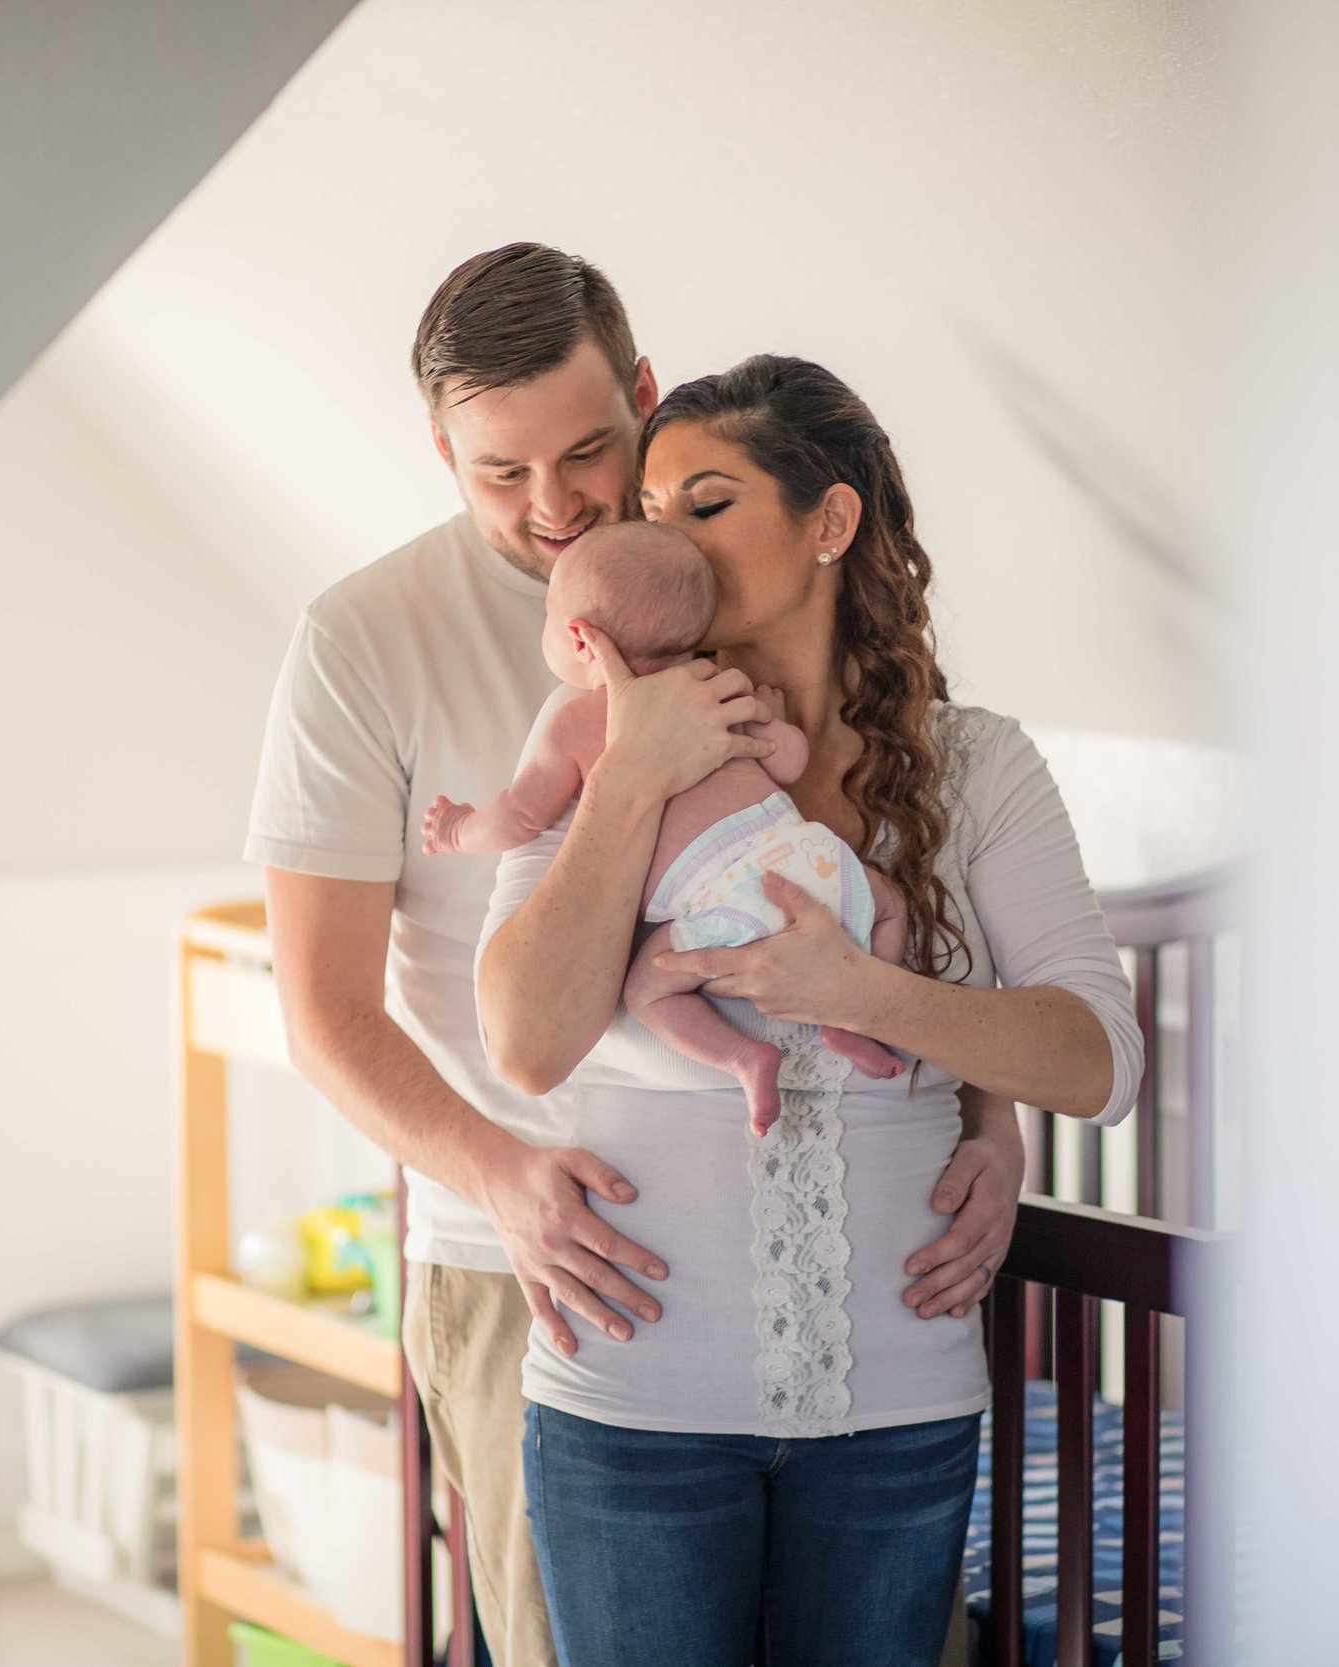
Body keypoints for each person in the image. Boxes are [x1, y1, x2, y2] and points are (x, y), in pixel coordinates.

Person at [246, 248, 1028, 1667]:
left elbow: (893, 868)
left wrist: (991, 1114)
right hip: (524, 1252)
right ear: (441, 451)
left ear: (644, 395)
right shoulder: (364, 640)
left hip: (814, 1278)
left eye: (589, 452)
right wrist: (496, 1170)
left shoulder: (714, 591)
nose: (555, 510)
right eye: (499, 474)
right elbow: (320, 1010)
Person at [477, 354, 1145, 1667]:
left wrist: (869, 994)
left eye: (707, 502)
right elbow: (524, 1035)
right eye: (653, 511)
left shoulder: (978, 766)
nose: (666, 538)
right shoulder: (594, 735)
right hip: (632, 1403)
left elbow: (1099, 1060)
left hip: (899, 1416)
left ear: (830, 522)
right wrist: (632, 779)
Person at [419, 520, 908, 1133]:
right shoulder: (722, 692)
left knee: (649, 991)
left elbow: (520, 817)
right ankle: (854, 1018)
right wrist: (772, 721)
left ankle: (743, 1055)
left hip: (717, 907)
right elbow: (789, 762)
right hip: (809, 867)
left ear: (579, 639)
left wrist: (458, 829)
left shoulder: (577, 723)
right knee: (886, 903)